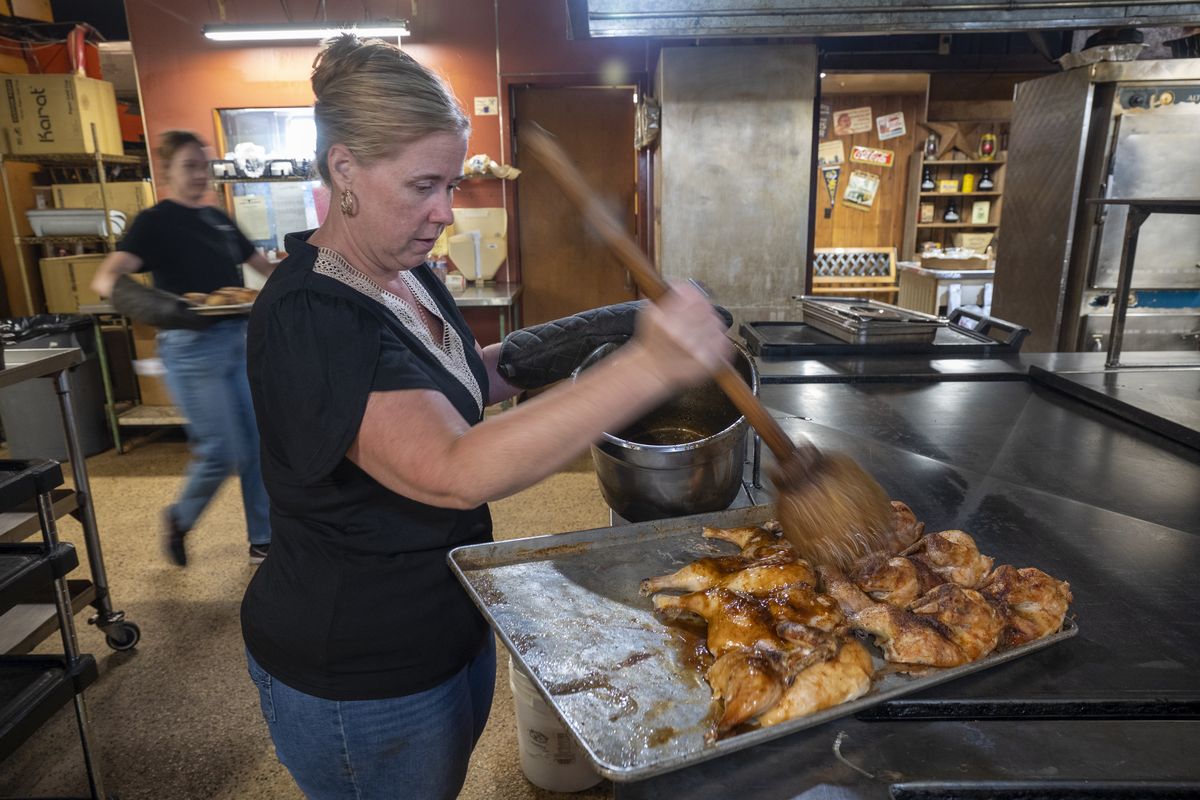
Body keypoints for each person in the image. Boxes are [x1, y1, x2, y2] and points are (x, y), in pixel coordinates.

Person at [239, 34, 731, 800]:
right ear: (345, 171)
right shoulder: (314, 315)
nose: (444, 211)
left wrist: (607, 325)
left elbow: (469, 376)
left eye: (452, 183)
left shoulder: (400, 273)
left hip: (444, 622)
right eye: (423, 186)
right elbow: (452, 468)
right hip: (360, 666)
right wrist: (652, 365)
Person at [92, 131, 275, 566]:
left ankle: (264, 539)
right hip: (191, 349)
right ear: (167, 172)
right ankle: (180, 518)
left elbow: (263, 268)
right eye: (189, 166)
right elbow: (107, 278)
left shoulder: (218, 219)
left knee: (258, 444)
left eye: (204, 166)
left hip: (236, 341)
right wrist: (166, 307)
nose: (200, 175)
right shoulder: (155, 222)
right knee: (222, 450)